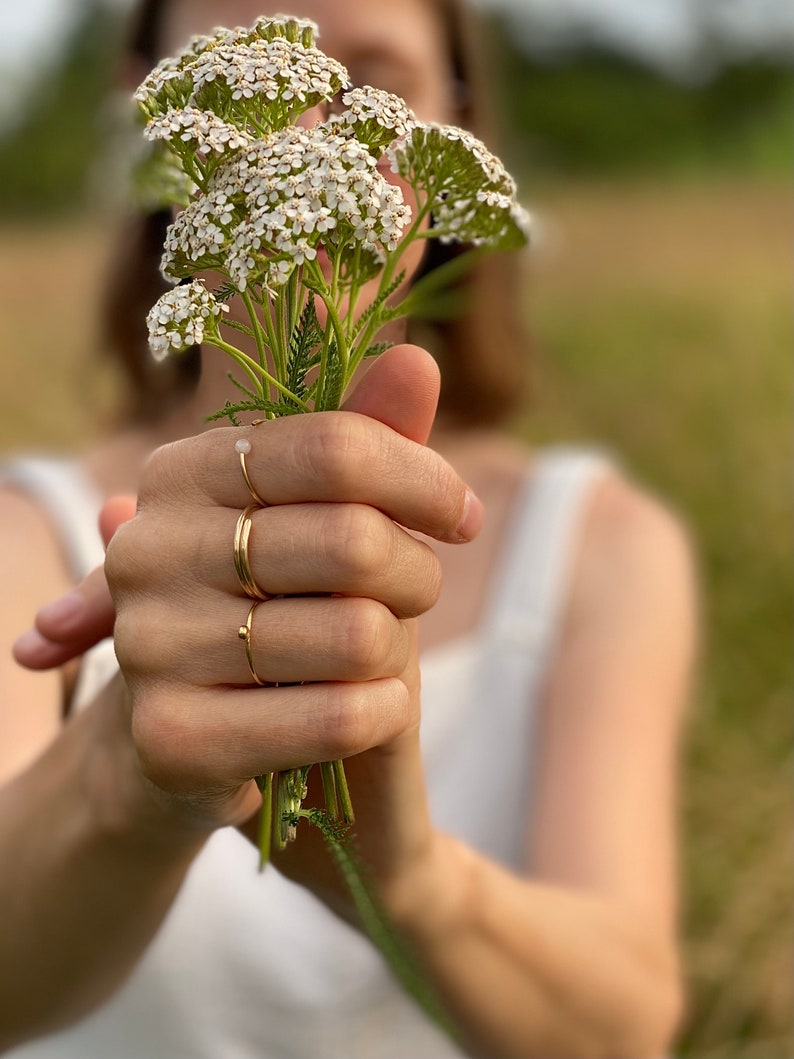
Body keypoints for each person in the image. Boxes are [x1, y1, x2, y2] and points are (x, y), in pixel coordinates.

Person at [0, 0, 697, 1056]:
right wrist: (130, 771)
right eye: (249, 92)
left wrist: (403, 867)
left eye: (372, 85)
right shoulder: (25, 530)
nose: (312, 142)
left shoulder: (602, 541)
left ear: (452, 123)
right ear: (149, 116)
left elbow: (624, 1028)